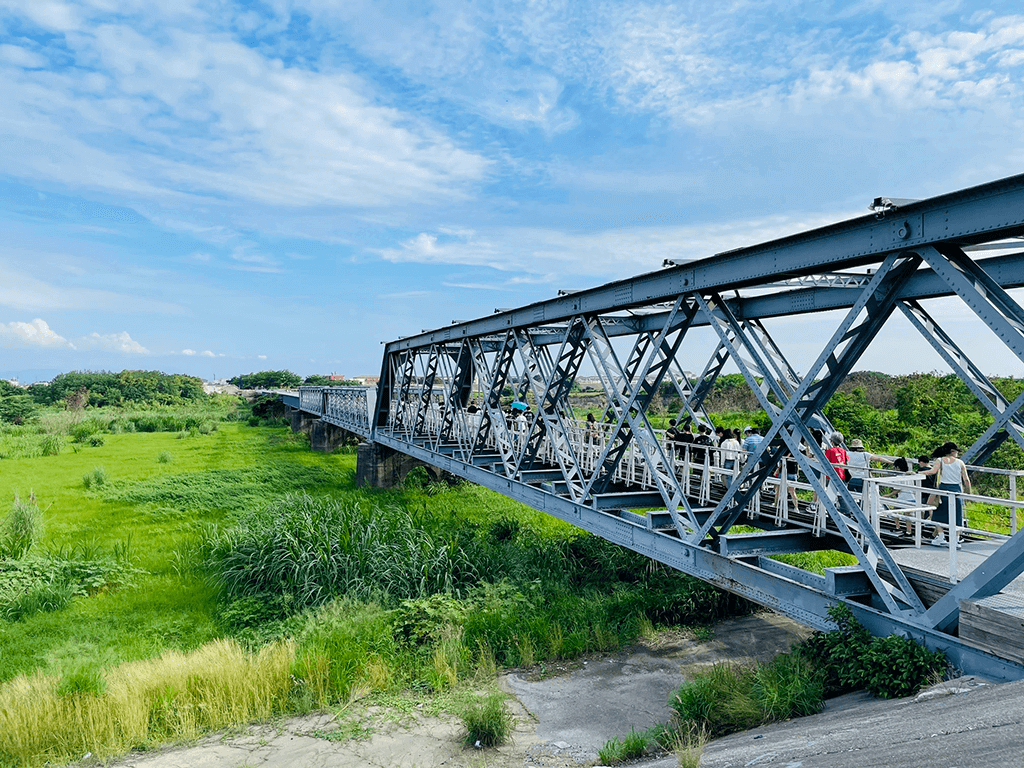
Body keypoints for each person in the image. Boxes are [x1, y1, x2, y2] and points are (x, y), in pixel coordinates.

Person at [922, 441, 971, 547]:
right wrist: (968, 493)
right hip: (957, 490)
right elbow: (966, 480)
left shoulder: (940, 460)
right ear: (953, 451)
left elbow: (932, 472)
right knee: (957, 515)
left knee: (938, 514)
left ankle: (941, 536)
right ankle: (956, 539)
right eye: (957, 451)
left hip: (944, 489)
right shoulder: (960, 462)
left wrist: (919, 473)